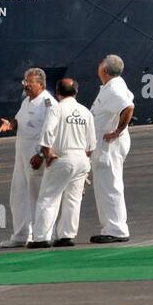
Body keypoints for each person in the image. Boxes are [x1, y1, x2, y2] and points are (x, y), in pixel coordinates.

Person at [29, 79, 97, 249]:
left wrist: (45, 154)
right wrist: (85, 164)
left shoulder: (56, 109)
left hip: (61, 157)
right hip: (81, 157)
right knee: (73, 199)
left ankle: (41, 238)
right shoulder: (85, 112)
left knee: (48, 197)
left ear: (58, 92)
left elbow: (47, 133)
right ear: (76, 92)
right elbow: (91, 145)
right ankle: (67, 235)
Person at [0, 67, 56, 247]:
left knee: (38, 197)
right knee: (18, 196)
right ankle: (21, 235)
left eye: (29, 83)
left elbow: (53, 132)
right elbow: (19, 121)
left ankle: (42, 234)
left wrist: (41, 154)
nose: (25, 85)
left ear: (40, 84)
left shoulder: (48, 104)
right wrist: (11, 124)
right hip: (21, 158)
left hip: (35, 157)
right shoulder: (27, 102)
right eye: (25, 82)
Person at [90, 54, 134, 243]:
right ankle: (111, 226)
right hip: (108, 144)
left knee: (110, 184)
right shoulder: (113, 85)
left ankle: (116, 229)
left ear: (104, 70)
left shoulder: (114, 88)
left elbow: (128, 107)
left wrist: (117, 131)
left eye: (101, 62)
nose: (98, 64)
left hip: (110, 145)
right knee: (105, 185)